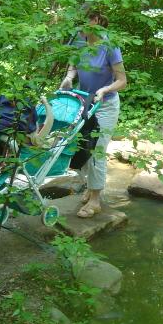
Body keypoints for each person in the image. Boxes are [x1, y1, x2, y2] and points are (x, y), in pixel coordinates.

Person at [60, 11, 127, 218]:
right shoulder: (79, 42)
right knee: (81, 147)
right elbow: (73, 65)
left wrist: (105, 89)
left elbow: (122, 81)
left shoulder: (110, 46)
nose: (79, 26)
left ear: (95, 21)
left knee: (97, 150)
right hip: (84, 103)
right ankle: (90, 187)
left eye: (83, 21)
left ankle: (96, 200)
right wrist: (69, 77)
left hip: (105, 105)